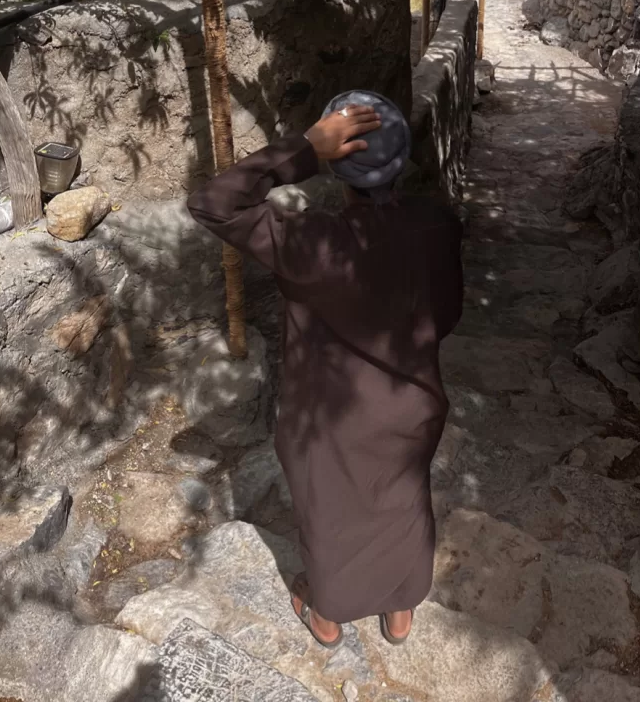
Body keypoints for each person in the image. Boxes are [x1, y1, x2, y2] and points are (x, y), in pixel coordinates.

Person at [187, 90, 464, 648]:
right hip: (412, 404)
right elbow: (448, 312)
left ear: (340, 167)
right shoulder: (436, 225)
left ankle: (329, 616)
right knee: (403, 500)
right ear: (401, 160)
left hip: (329, 418)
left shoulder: (314, 242)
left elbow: (214, 203)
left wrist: (304, 150)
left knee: (329, 510)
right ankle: (400, 608)